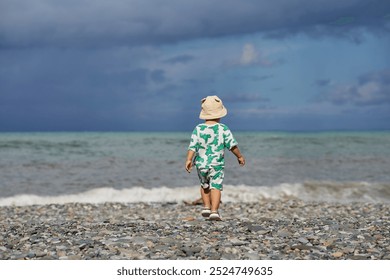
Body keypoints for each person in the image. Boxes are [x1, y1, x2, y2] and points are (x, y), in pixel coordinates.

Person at [185, 95, 245, 221]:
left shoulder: (198, 129)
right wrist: (239, 156)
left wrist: (189, 160)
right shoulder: (223, 129)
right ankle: (214, 211)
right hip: (216, 164)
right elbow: (232, 145)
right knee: (215, 186)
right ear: (220, 113)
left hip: (201, 164)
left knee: (204, 185)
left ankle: (206, 207)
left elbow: (192, 146)